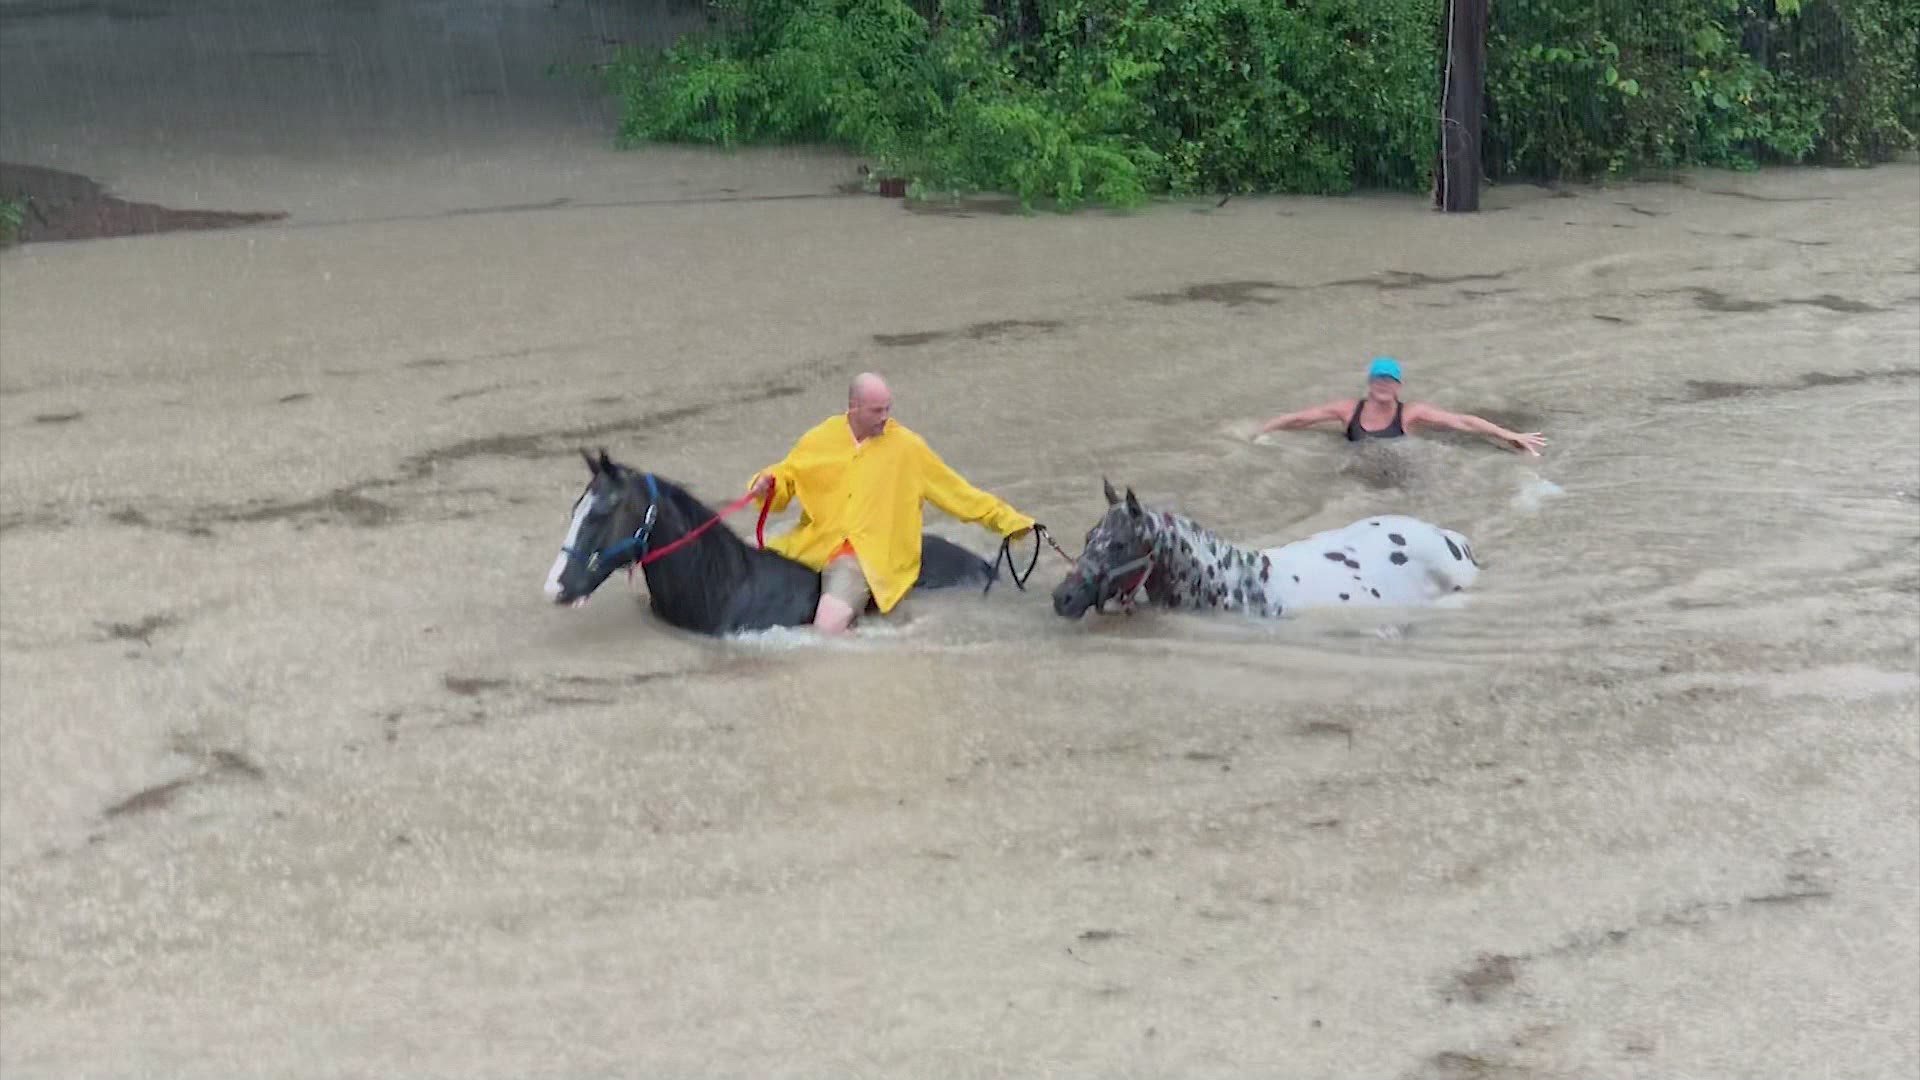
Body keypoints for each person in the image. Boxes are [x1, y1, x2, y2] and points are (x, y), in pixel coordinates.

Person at [748, 372, 1037, 635]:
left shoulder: (908, 448)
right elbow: (785, 479)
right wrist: (765, 483)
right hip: (814, 543)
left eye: (888, 408)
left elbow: (958, 494)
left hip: (866, 555)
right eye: (877, 410)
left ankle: (862, 648)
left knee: (827, 626)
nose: (885, 417)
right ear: (854, 406)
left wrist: (1010, 521)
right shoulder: (819, 438)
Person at [1255, 357, 1548, 455]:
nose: (1383, 384)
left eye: (1389, 380)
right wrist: (1259, 432)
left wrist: (1510, 435)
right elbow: (1301, 419)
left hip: (1401, 462)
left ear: (1398, 386)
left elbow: (1463, 422)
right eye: (1378, 379)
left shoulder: (1410, 414)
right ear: (1369, 383)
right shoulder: (1347, 410)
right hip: (1357, 463)